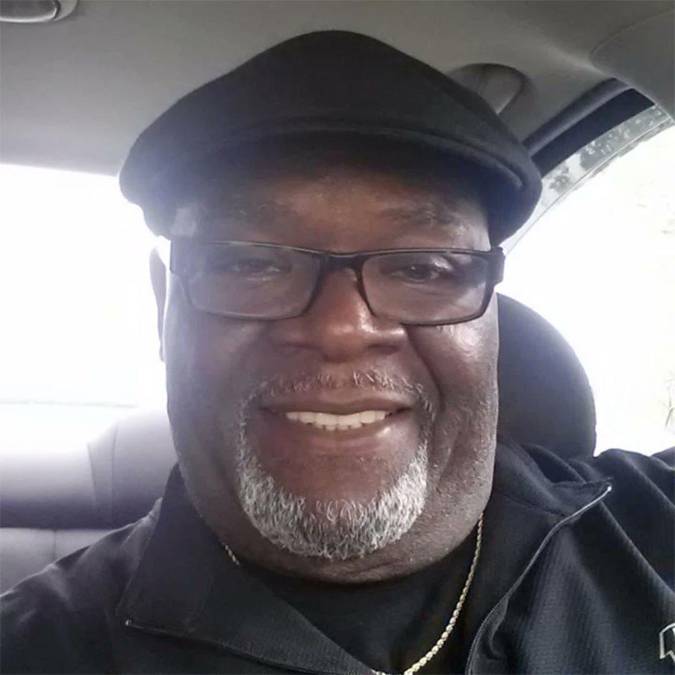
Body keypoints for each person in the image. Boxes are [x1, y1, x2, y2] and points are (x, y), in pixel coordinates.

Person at [1, 31, 673, 675]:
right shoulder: (36, 649)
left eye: (422, 268)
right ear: (162, 306)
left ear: (490, 309)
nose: (340, 329)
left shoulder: (654, 529)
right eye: (250, 263)